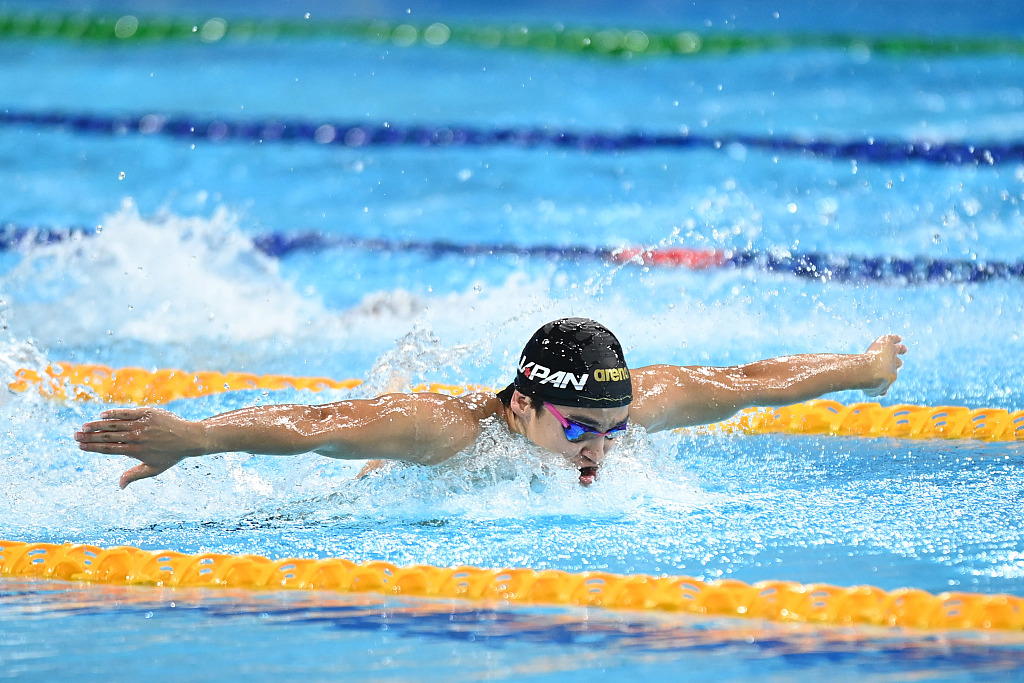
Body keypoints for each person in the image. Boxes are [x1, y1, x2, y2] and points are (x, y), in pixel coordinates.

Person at [75, 317, 907, 488]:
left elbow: (755, 381)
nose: (601, 451)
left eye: (614, 433)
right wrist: (196, 436)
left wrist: (864, 369)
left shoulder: (630, 406)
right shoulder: (447, 430)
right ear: (520, 405)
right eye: (580, 429)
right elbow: (318, 425)